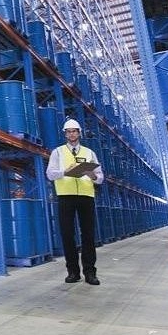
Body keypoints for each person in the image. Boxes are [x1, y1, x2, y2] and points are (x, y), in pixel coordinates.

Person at [46, 118, 104, 285]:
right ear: (65, 134)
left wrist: (92, 175)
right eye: (69, 132)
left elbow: (100, 177)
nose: (71, 134)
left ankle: (90, 273)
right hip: (66, 196)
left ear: (79, 133)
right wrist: (65, 171)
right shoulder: (57, 152)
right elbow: (50, 174)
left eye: (74, 131)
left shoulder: (89, 153)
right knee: (67, 235)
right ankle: (73, 272)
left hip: (86, 196)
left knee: (88, 235)